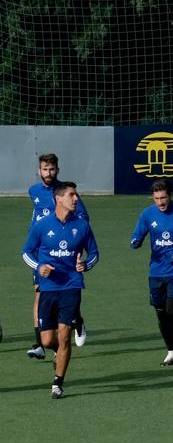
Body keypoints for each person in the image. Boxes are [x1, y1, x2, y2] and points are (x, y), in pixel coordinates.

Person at [21, 181, 99, 398]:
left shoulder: (82, 226)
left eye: (76, 195)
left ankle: (57, 382)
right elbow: (26, 252)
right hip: (48, 287)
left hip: (72, 286)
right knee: (47, 340)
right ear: (59, 199)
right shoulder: (42, 225)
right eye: (72, 195)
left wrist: (85, 265)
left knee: (64, 336)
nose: (76, 199)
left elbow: (94, 254)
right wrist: (39, 267)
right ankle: (56, 352)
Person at [26, 153, 90, 358]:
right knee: (39, 293)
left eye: (52, 169)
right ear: (39, 170)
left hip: (65, 252)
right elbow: (37, 214)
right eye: (45, 169)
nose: (48, 173)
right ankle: (39, 344)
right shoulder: (34, 191)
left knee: (66, 292)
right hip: (42, 251)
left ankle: (77, 320)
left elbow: (83, 219)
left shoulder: (66, 192)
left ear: (57, 170)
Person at [129, 179, 173, 366]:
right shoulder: (147, 214)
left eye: (163, 197)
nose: (160, 202)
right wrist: (135, 241)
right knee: (160, 313)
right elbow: (137, 235)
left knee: (172, 310)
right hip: (156, 272)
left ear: (170, 195)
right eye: (156, 198)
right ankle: (171, 351)